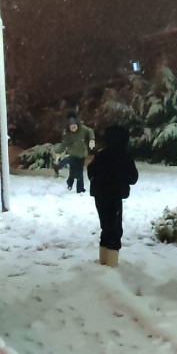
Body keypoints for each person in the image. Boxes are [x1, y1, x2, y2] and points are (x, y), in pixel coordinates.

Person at [87, 125, 139, 268]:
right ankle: (111, 264)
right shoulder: (125, 156)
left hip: (99, 194)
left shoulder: (101, 154)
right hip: (115, 195)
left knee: (106, 226)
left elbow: (90, 171)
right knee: (115, 229)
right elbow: (133, 178)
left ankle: (103, 260)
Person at [54, 112, 95, 193]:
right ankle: (78, 188)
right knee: (75, 172)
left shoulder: (83, 129)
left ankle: (75, 186)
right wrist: (58, 153)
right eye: (71, 128)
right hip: (73, 155)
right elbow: (64, 144)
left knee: (78, 171)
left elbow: (90, 131)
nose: (73, 129)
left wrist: (92, 139)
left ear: (77, 125)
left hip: (82, 154)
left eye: (74, 127)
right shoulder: (68, 135)